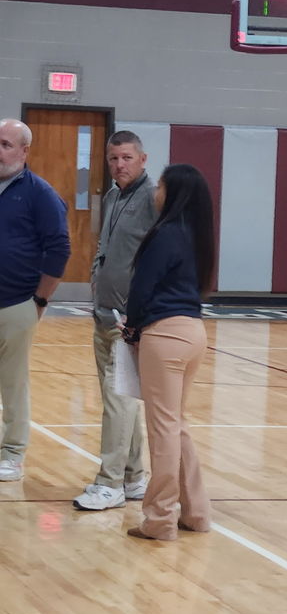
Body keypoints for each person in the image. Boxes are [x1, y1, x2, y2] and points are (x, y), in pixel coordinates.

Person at [121, 164, 214, 540]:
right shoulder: (196, 235)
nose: (155, 191)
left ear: (172, 192)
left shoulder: (165, 234)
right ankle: (196, 512)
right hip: (194, 333)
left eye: (160, 185)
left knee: (162, 430)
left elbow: (141, 289)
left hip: (165, 336)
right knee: (177, 425)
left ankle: (159, 519)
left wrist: (131, 327)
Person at [73, 131, 158, 511]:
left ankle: (109, 483)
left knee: (117, 402)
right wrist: (95, 274)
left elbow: (162, 257)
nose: (119, 165)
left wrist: (140, 312)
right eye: (113, 159)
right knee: (123, 401)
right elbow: (105, 248)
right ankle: (135, 477)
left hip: (129, 321)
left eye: (126, 158)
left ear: (143, 159)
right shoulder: (111, 197)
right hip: (102, 313)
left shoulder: (154, 199)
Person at [0, 118, 70, 481]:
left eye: (6, 144)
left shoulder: (40, 194)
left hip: (16, 305)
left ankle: (12, 453)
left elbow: (59, 248)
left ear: (24, 151)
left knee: (12, 382)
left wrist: (40, 301)